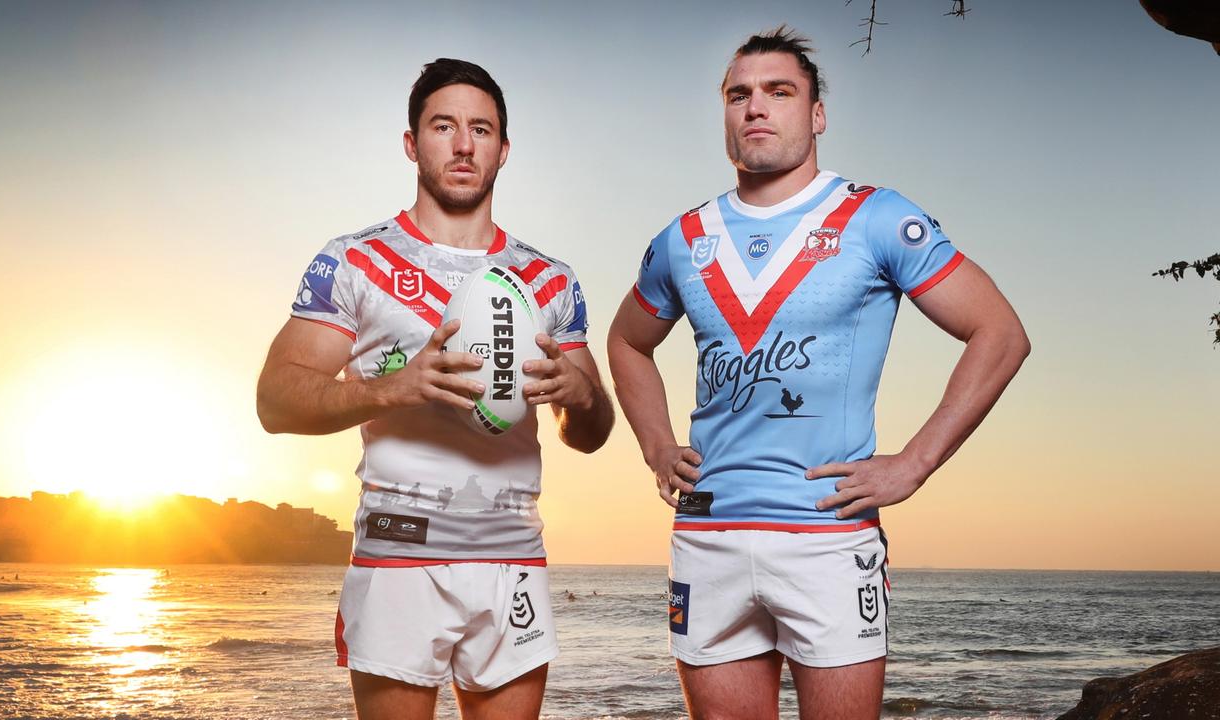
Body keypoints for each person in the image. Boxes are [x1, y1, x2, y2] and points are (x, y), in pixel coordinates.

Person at [606, 27, 1029, 720]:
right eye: (739, 95)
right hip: (708, 535)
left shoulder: (877, 218)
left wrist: (914, 465)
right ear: (725, 115)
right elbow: (626, 342)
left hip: (827, 536)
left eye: (780, 91)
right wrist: (656, 447)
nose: (756, 108)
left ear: (817, 114)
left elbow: (1001, 333)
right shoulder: (683, 239)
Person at [257, 58, 614, 720]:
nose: (462, 143)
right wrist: (396, 387)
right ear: (411, 142)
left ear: (503, 150)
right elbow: (276, 400)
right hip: (399, 556)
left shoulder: (550, 280)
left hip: (513, 557)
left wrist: (582, 395)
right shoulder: (355, 260)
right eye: (443, 125)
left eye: (480, 128)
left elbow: (591, 435)